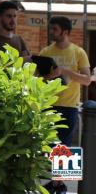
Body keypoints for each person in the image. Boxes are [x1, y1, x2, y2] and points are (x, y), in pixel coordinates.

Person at [39, 16, 91, 194]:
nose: (51, 31)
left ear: (65, 32)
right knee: (49, 146)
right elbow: (38, 79)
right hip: (49, 105)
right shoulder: (46, 51)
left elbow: (86, 80)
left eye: (54, 29)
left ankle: (59, 185)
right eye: (50, 28)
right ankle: (55, 184)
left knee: (64, 146)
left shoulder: (78, 52)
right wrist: (49, 77)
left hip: (69, 106)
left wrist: (65, 71)